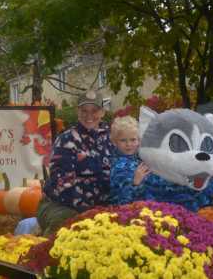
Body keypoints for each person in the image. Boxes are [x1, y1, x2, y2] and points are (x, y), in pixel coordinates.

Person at [38, 90, 114, 235]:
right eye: (84, 110)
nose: (89, 115)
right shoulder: (67, 140)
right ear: (77, 112)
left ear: (103, 112)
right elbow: (63, 185)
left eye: (94, 110)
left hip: (102, 206)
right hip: (63, 204)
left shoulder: (113, 137)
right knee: (68, 222)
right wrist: (90, 213)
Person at [109, 116, 150, 204]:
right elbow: (122, 200)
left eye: (133, 140)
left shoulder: (139, 159)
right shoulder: (118, 166)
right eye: (123, 140)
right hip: (127, 213)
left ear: (139, 140)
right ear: (115, 142)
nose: (128, 144)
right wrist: (135, 183)